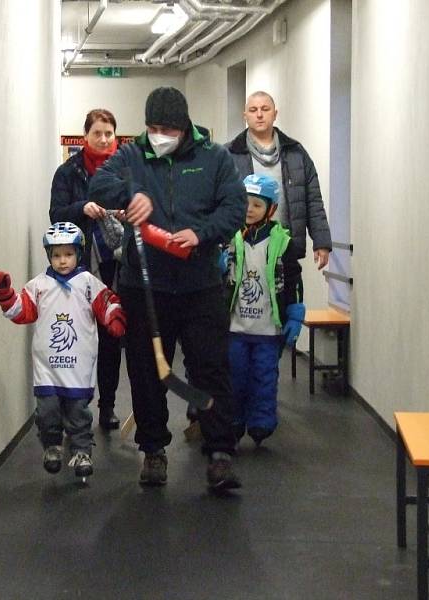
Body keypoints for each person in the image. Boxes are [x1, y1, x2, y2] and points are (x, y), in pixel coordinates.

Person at [88, 87, 246, 491]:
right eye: (153, 128)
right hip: (145, 284)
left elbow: (234, 208)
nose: (160, 135)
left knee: (211, 367)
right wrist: (130, 195)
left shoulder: (214, 158)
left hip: (201, 283)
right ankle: (153, 450)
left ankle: (220, 453)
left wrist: (201, 233)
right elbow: (99, 183)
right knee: (145, 370)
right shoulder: (131, 156)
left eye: (168, 129)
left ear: (184, 126)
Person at [0, 222, 126, 481]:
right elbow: (21, 311)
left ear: (79, 253)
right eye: (56, 255)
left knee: (78, 411)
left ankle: (82, 450)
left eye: (68, 254)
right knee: (47, 410)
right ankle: (52, 445)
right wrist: (5, 293)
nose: (62, 261)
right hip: (48, 366)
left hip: (78, 364)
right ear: (49, 256)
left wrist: (114, 317)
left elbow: (108, 301)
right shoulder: (38, 286)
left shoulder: (87, 283)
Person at [50, 108, 125, 431]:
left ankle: (107, 406)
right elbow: (56, 215)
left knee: (111, 338)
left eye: (109, 133)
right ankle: (74, 409)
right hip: (77, 270)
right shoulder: (68, 173)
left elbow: (145, 210)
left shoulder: (126, 171)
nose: (104, 139)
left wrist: (124, 214)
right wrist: (82, 208)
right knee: (76, 341)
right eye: (98, 133)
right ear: (86, 137)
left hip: (117, 266)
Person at [222, 173, 304, 447]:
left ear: (271, 209)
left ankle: (261, 421)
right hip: (236, 327)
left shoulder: (282, 244)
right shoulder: (230, 239)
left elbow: (293, 280)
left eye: (257, 204)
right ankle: (233, 421)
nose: (249, 209)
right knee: (235, 377)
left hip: (269, 329)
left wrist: (294, 313)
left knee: (265, 378)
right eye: (245, 203)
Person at [226, 91, 332, 270]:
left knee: (288, 296)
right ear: (245, 116)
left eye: (265, 109)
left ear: (275, 114)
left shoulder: (296, 153)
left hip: (286, 247)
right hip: (243, 247)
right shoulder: (229, 154)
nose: (259, 114)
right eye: (253, 110)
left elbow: (313, 200)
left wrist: (321, 241)